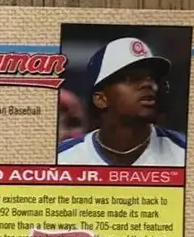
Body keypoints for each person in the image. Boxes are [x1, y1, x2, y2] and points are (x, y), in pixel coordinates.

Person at [57, 37, 186, 167]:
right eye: (131, 78)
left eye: (152, 78)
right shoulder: (63, 158)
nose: (148, 84)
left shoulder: (185, 153)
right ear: (101, 99)